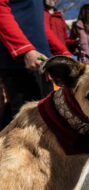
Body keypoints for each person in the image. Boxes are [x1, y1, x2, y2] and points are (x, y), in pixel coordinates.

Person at [0, 0, 71, 129]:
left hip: (42, 61)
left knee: (45, 122)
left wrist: (64, 53)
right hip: (19, 63)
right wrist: (25, 49)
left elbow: (41, 26)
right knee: (26, 127)